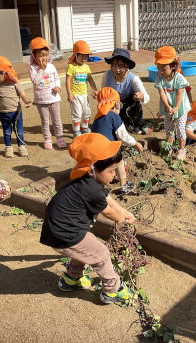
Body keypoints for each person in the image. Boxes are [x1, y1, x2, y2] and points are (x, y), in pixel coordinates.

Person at [40, 133, 135, 304]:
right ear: (92, 170)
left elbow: (107, 198)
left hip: (64, 229)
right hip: (63, 233)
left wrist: (124, 212)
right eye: (111, 171)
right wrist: (121, 219)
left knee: (86, 247)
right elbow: (108, 213)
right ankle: (112, 290)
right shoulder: (90, 189)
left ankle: (72, 278)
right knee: (101, 253)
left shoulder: (89, 182)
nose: (114, 176)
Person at [91, 87, 144, 194]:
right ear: (115, 105)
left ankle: (97, 185)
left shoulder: (96, 118)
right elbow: (123, 136)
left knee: (101, 167)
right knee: (118, 160)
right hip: (108, 150)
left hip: (95, 151)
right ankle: (123, 185)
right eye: (119, 106)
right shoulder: (114, 117)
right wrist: (136, 143)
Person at [100, 48, 150, 134]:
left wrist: (141, 96)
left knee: (134, 100)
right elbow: (103, 93)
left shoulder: (133, 79)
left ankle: (133, 123)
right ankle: (119, 123)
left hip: (129, 108)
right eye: (114, 65)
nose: (117, 69)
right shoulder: (107, 75)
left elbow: (147, 97)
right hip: (114, 107)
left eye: (120, 66)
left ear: (127, 66)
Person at [154, 46, 191, 161]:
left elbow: (180, 94)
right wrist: (168, 107)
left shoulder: (179, 78)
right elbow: (162, 93)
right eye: (158, 67)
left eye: (163, 68)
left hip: (180, 108)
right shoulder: (159, 77)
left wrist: (175, 107)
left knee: (180, 128)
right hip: (167, 107)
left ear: (173, 66)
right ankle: (169, 147)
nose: (160, 71)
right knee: (168, 128)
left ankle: (181, 149)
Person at [28, 37, 65, 149]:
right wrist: (42, 70)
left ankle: (59, 137)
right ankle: (48, 139)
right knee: (45, 121)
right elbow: (35, 81)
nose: (44, 58)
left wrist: (58, 86)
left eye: (46, 55)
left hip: (54, 98)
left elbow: (57, 78)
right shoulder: (33, 68)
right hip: (41, 100)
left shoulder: (52, 66)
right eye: (40, 55)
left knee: (57, 120)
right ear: (34, 56)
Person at [66, 40, 98, 137]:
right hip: (75, 96)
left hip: (84, 95)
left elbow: (90, 79)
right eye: (82, 56)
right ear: (76, 55)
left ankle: (84, 127)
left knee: (86, 112)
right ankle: (76, 130)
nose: (84, 58)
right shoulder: (71, 67)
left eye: (86, 56)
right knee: (77, 114)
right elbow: (67, 81)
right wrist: (69, 94)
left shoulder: (86, 67)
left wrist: (95, 89)